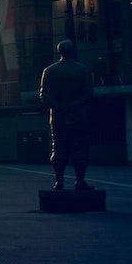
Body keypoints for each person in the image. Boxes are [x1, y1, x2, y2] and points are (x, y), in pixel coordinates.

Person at [38, 39, 94, 190]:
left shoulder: (49, 70)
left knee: (59, 148)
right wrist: (72, 106)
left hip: (58, 116)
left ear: (59, 52)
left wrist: (59, 107)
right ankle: (80, 181)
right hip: (78, 116)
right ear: (73, 51)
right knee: (80, 148)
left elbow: (44, 95)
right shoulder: (82, 69)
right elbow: (88, 93)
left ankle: (59, 181)